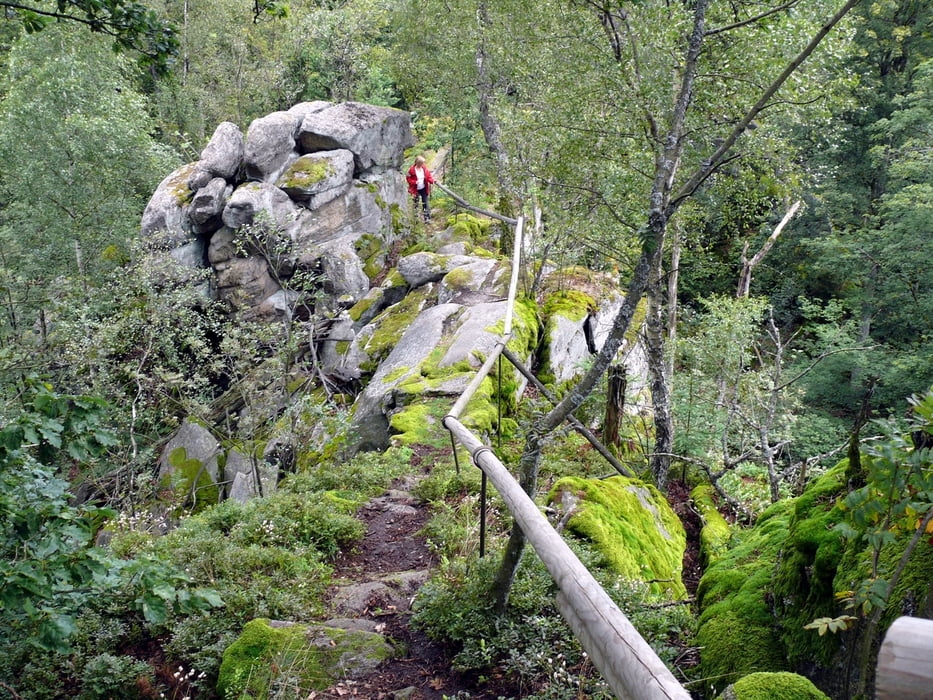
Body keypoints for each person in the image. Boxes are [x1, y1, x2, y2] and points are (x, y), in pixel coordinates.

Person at [406, 155, 435, 221]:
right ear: (417, 163)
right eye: (421, 163)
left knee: (425, 203)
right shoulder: (411, 170)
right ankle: (415, 219)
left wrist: (432, 181)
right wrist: (415, 182)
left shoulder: (424, 169)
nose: (422, 164)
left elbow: (428, 176)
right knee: (416, 203)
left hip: (423, 188)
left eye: (423, 163)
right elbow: (408, 179)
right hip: (415, 189)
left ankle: (427, 218)